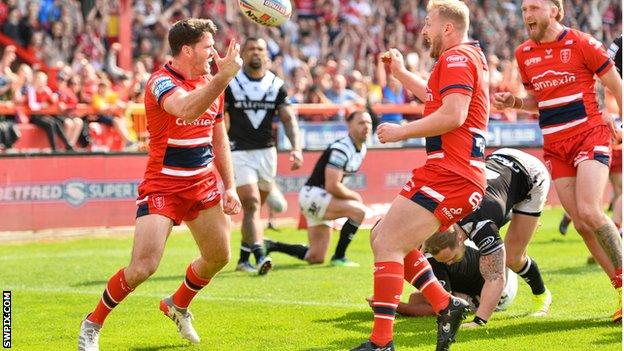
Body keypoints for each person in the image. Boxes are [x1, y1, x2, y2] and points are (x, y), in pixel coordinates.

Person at [78, 18, 243, 351]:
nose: (214, 53)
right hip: (163, 186)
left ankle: (177, 304)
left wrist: (231, 186)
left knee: (219, 256)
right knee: (143, 268)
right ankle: (92, 324)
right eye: (208, 47)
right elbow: (186, 107)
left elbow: (218, 136)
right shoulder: (160, 82)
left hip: (201, 184)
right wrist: (224, 78)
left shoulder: (212, 81)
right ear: (187, 50)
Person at [351, 1, 490, 350]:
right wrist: (399, 73)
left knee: (387, 243)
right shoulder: (462, 58)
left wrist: (401, 132)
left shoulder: (456, 58)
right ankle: (445, 305)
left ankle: (382, 342)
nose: (423, 31)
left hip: (452, 173)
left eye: (428, 23)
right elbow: (435, 97)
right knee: (383, 234)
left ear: (447, 28)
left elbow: (454, 114)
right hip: (454, 172)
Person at [493, 0, 623, 322]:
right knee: (580, 223)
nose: (527, 16)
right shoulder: (524, 53)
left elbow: (616, 84)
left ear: (554, 10)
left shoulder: (581, 43)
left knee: (591, 211)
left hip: (589, 134)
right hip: (555, 145)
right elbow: (537, 100)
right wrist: (516, 101)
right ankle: (619, 288)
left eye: (534, 8)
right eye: (524, 10)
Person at [426, 149, 552, 328]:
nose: (450, 264)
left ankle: (542, 296)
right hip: (500, 160)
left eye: (451, 258)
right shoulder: (438, 217)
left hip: (531, 174)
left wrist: (478, 321)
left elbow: (496, 277)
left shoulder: (482, 226)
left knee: (512, 258)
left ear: (461, 239)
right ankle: (520, 221)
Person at [224, 37, 303, 275]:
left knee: (254, 209)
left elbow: (288, 119)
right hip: (239, 151)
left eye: (260, 49)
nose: (256, 53)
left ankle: (243, 258)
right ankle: (260, 255)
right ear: (243, 54)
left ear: (267, 55)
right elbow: (220, 121)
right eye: (251, 49)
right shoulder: (231, 83)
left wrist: (296, 148)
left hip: (267, 152)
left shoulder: (276, 84)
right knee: (252, 203)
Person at [265, 110, 372, 267]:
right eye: (361, 123)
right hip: (314, 195)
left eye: (368, 122)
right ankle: (339, 256)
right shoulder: (341, 149)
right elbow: (332, 185)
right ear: (349, 125)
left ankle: (271, 245)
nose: (366, 127)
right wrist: (354, 196)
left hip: (320, 198)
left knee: (316, 256)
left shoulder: (362, 149)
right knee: (358, 211)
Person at [371, 237, 518, 321]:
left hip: (499, 293)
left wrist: (396, 307)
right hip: (505, 274)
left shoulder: (433, 259)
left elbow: (442, 308)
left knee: (425, 302)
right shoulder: (441, 237)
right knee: (415, 299)